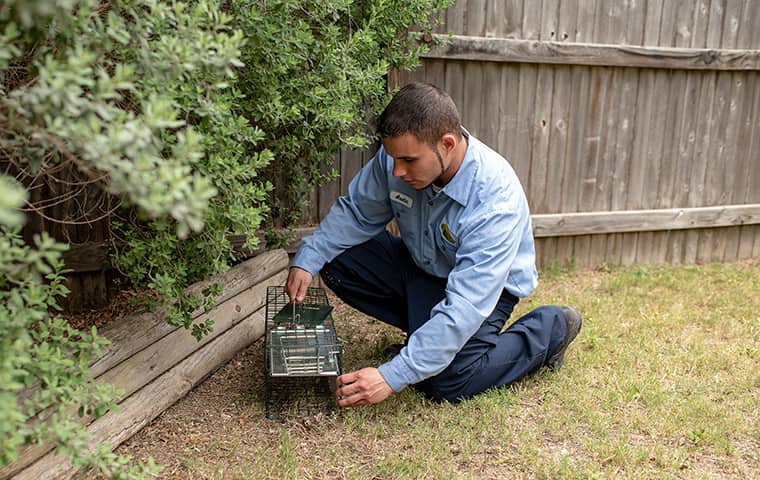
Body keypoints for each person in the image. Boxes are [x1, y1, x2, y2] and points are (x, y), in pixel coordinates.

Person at [286, 82, 581, 407]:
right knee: (337, 255)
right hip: (423, 265)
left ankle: (551, 329)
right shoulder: (396, 162)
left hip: (487, 292)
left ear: (447, 144)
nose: (397, 171)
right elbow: (357, 212)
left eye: (409, 160)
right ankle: (426, 338)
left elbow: (464, 307)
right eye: (392, 158)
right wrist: (307, 258)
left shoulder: (494, 199)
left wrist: (392, 374)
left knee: (448, 381)